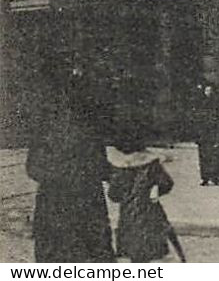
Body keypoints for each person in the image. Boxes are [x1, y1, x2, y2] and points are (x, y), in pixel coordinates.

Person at [26, 70, 113, 262]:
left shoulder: (46, 128)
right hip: (87, 204)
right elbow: (103, 168)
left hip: (54, 206)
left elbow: (32, 168)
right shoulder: (90, 129)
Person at [106, 134, 176, 263]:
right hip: (149, 212)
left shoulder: (120, 168)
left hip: (128, 216)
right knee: (148, 251)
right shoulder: (151, 164)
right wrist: (155, 189)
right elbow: (167, 183)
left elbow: (114, 195)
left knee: (134, 254)